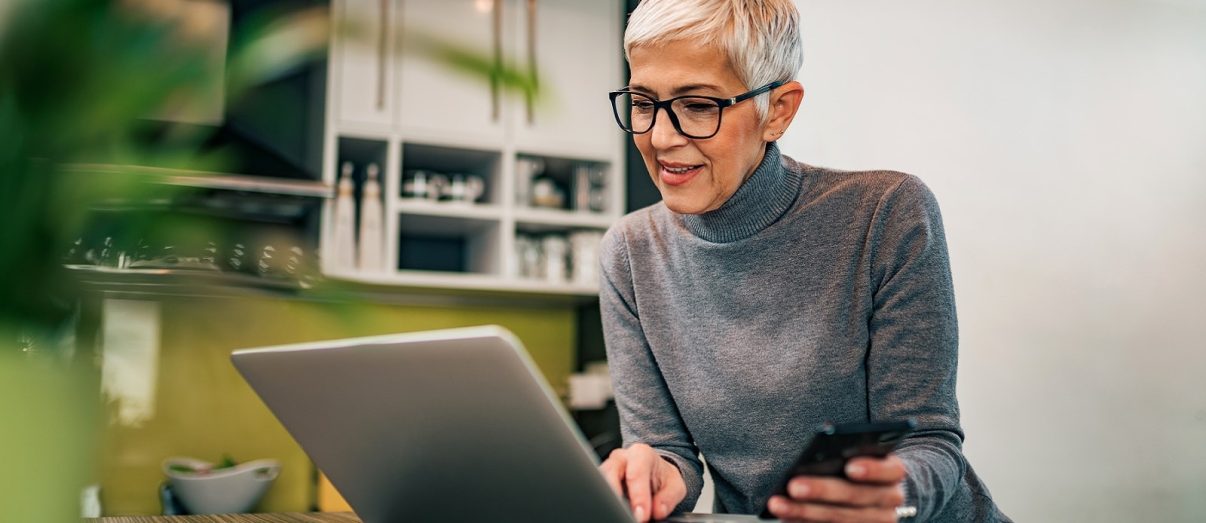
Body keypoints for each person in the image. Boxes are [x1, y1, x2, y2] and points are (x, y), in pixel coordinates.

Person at [595, 1, 1010, 522]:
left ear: (780, 110)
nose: (659, 137)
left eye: (698, 106)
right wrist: (652, 473)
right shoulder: (630, 253)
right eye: (641, 102)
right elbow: (669, 452)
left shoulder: (886, 214)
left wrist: (888, 495)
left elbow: (929, 439)